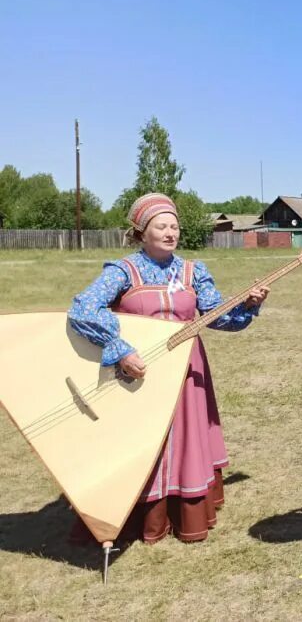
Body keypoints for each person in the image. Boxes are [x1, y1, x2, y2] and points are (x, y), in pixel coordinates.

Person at [68, 192, 269, 544]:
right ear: (142, 231)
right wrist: (118, 348)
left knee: (186, 435)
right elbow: (84, 309)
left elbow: (217, 318)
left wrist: (248, 306)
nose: (170, 232)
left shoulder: (193, 271)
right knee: (143, 439)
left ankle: (185, 511)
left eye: (174, 225)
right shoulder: (124, 270)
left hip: (187, 369)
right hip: (138, 369)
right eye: (161, 225)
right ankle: (140, 516)